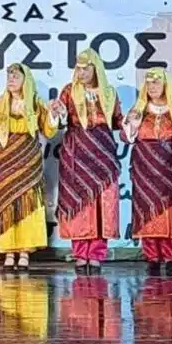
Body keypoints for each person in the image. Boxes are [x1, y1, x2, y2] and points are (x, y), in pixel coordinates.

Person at [50, 48, 123, 274]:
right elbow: (61, 121)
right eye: (78, 69)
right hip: (77, 152)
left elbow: (118, 121)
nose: (81, 73)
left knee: (102, 203)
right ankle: (81, 254)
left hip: (103, 153)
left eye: (86, 68)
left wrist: (133, 120)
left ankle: (97, 254)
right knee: (78, 202)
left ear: (96, 69)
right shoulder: (69, 91)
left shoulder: (108, 93)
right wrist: (58, 111)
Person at [0, 63, 55, 273]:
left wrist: (54, 114)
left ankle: (24, 252)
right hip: (6, 159)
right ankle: (9, 251)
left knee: (28, 202)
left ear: (25, 80)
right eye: (9, 76)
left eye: (16, 76)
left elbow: (48, 130)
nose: (11, 80)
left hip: (29, 159)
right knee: (7, 202)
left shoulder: (36, 104)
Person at [122, 67, 172, 275]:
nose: (152, 87)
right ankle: (152, 256)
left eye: (156, 82)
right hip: (146, 166)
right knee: (148, 209)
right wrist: (132, 124)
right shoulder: (139, 109)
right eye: (149, 83)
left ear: (165, 84)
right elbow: (126, 137)